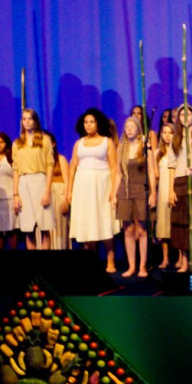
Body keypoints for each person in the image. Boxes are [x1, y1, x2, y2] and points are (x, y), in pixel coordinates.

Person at [67, 108, 119, 271]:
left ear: (98, 124)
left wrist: (113, 191)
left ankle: (110, 261)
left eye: (92, 122)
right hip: (83, 186)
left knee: (104, 221)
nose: (88, 125)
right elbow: (73, 166)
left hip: (102, 185)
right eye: (86, 122)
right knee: (88, 222)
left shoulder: (107, 142)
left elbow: (114, 168)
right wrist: (69, 190)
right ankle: (91, 261)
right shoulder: (79, 143)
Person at [114, 117, 157, 277]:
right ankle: (131, 266)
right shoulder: (121, 148)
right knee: (128, 229)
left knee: (142, 230)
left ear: (139, 129)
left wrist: (153, 192)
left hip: (141, 190)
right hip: (125, 191)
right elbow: (118, 173)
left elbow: (151, 171)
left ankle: (142, 267)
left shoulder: (145, 147)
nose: (129, 129)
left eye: (133, 126)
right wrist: (114, 194)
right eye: (127, 127)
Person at [168, 105, 192, 273]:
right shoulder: (175, 139)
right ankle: (184, 261)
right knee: (181, 224)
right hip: (179, 183)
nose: (185, 116)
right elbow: (171, 166)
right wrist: (170, 190)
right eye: (182, 114)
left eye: (188, 113)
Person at [13, 109, 55, 251]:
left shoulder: (44, 140)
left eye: (30, 119)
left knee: (44, 226)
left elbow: (50, 165)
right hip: (24, 184)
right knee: (28, 228)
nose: (27, 122)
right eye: (24, 119)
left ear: (35, 121)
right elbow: (16, 170)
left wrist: (47, 191)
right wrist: (15, 194)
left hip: (41, 182)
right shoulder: (17, 143)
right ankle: (33, 264)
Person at [154, 123, 175, 269]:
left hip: (174, 189)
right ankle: (165, 258)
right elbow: (155, 175)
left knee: (176, 226)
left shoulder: (178, 151)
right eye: (164, 132)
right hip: (162, 191)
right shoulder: (157, 153)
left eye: (170, 132)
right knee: (163, 225)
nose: (167, 135)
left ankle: (181, 258)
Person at [46, 133, 71, 251]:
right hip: (44, 196)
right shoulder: (39, 161)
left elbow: (67, 181)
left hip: (58, 195)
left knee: (58, 230)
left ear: (53, 143)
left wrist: (66, 200)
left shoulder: (60, 159)